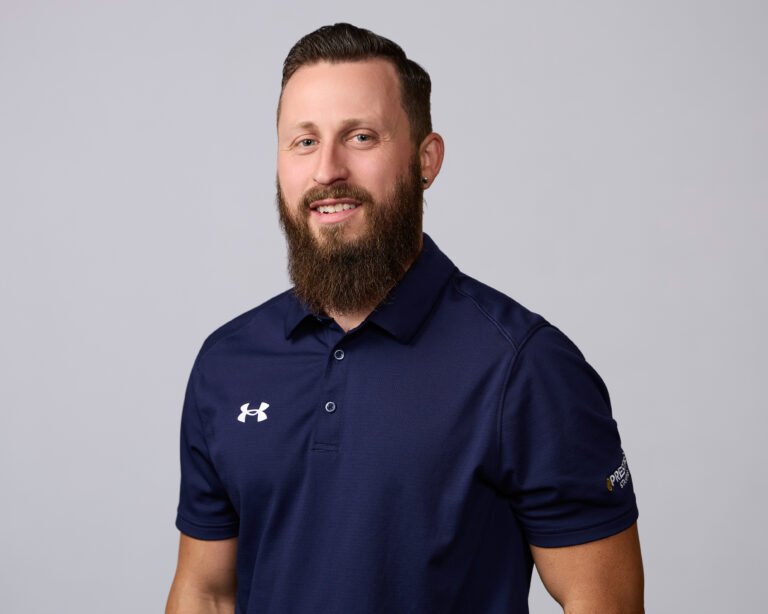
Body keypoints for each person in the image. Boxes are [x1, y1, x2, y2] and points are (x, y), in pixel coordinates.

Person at [165, 23, 644, 614]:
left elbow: (606, 602)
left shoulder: (524, 367)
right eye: (304, 142)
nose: (327, 171)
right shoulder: (228, 363)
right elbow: (207, 593)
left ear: (426, 159)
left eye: (360, 137)